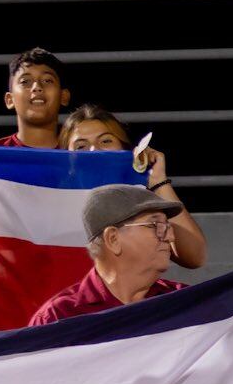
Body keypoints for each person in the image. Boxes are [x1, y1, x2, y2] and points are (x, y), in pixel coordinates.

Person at [60, 102, 208, 270]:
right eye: (81, 146)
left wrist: (157, 181)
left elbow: (195, 257)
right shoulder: (54, 206)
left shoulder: (142, 204)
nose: (94, 151)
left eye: (106, 141)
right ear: (67, 161)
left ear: (125, 150)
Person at [28, 185, 190, 324]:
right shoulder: (58, 317)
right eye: (157, 226)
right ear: (113, 239)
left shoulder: (186, 303)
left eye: (168, 227)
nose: (171, 237)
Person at [0, 47, 70, 148]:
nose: (37, 87)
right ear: (9, 100)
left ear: (63, 96)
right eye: (25, 82)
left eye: (47, 80)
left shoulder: (78, 155)